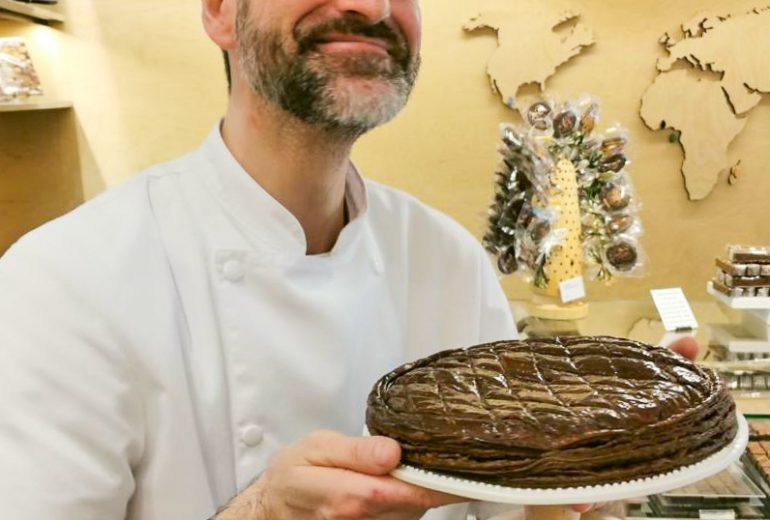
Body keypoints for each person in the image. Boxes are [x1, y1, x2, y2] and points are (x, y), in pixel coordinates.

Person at [0, 0, 699, 518]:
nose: (370, 6)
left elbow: (501, 510)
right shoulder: (61, 282)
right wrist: (262, 512)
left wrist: (573, 488)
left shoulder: (445, 256)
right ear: (217, 10)